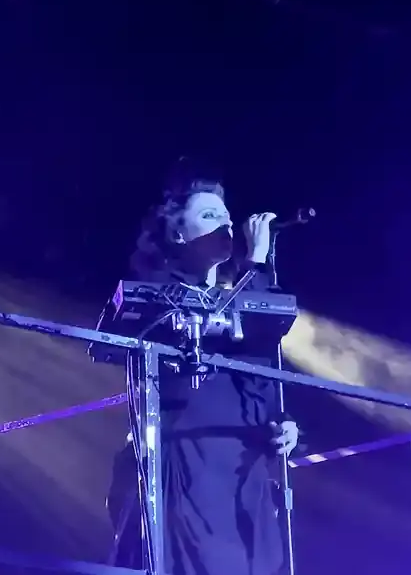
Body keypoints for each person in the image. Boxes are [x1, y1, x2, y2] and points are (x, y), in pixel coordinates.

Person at [107, 176, 300, 575]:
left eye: (227, 217)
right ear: (178, 233)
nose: (226, 225)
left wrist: (285, 428)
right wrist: (257, 262)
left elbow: (260, 382)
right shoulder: (160, 296)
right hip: (189, 468)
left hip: (243, 482)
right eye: (209, 215)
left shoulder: (238, 304)